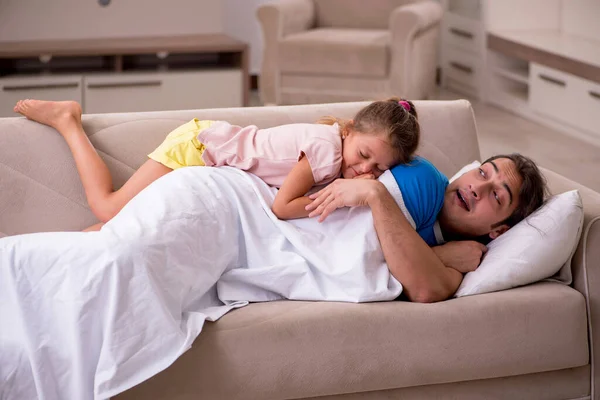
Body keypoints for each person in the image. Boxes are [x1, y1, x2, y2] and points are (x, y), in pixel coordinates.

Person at [12, 97, 420, 227]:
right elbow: (281, 207)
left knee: (115, 226)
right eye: (365, 156)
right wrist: (340, 198)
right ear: (349, 130)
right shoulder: (326, 150)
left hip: (208, 150)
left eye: (380, 169)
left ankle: (85, 241)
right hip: (199, 149)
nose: (366, 172)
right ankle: (68, 122)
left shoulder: (336, 151)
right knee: (108, 206)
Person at [306, 152, 548, 302]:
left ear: (499, 231)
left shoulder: (468, 257)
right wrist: (377, 194)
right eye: (483, 173)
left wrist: (437, 256)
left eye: (496, 196)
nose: (477, 188)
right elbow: (355, 253)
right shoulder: (422, 179)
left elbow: (426, 290)